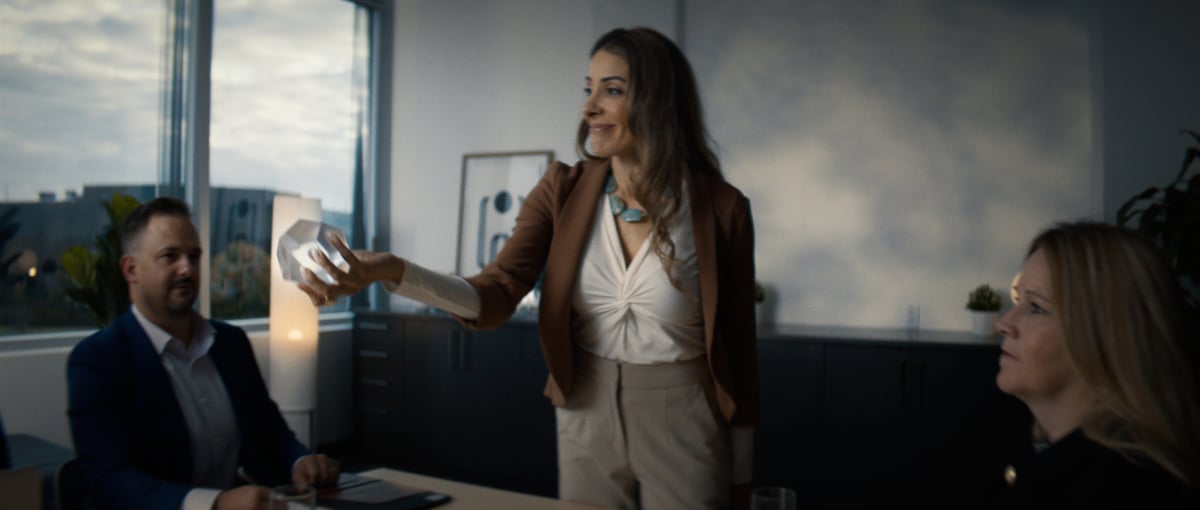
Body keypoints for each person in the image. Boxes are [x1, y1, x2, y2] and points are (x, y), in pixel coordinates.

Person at [299, 27, 759, 509]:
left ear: (660, 102)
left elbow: (742, 356)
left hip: (685, 414)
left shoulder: (722, 210)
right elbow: (496, 292)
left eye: (613, 90)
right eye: (588, 88)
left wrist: (742, 480)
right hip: (584, 405)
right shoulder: (562, 190)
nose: (590, 107)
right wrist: (393, 271)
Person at [67, 197, 340, 510]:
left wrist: (300, 462)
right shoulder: (98, 360)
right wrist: (215, 504)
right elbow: (110, 481)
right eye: (170, 256)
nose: (186, 268)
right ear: (131, 269)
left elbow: (269, 431)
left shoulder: (230, 343)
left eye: (193, 256)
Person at [986, 221, 1200, 508]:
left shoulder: (1120, 490)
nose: (1004, 324)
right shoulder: (1050, 455)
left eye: (1036, 307)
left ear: (1107, 334)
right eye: (1017, 300)